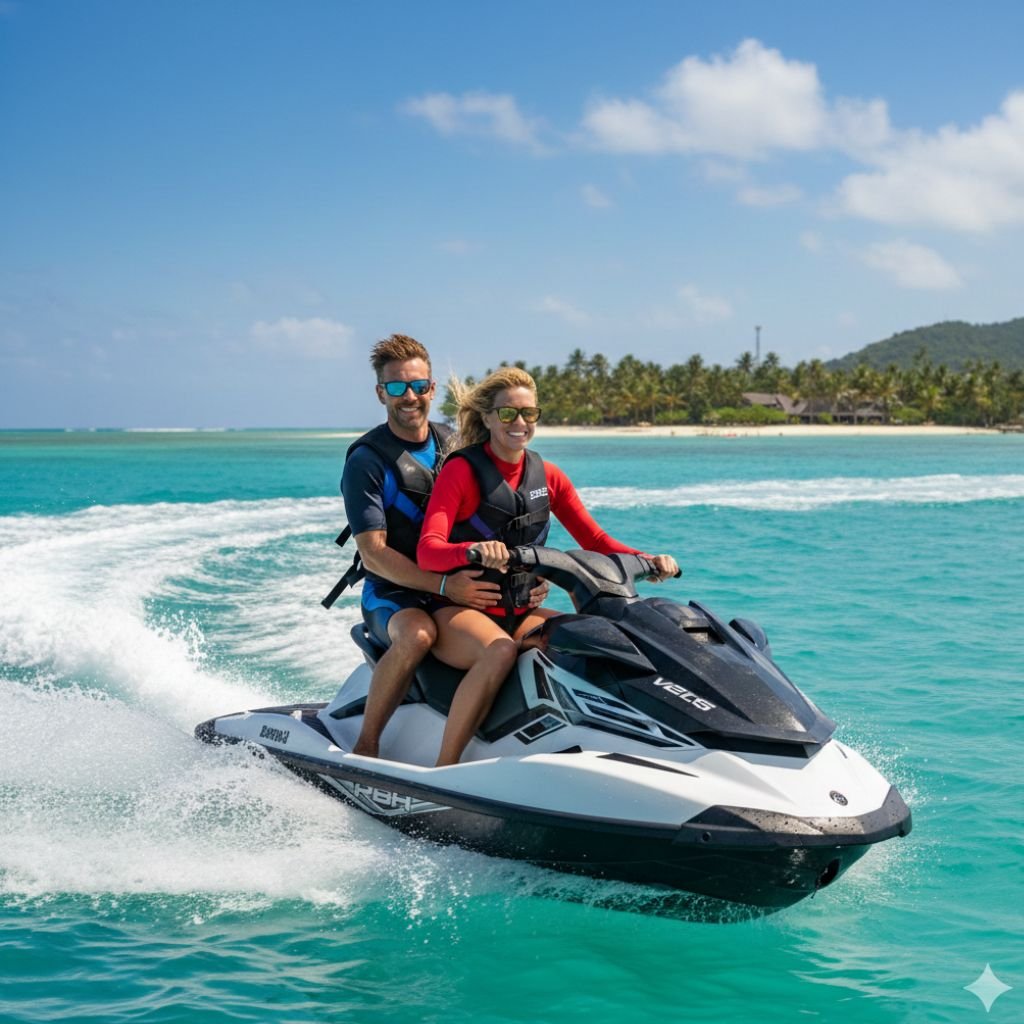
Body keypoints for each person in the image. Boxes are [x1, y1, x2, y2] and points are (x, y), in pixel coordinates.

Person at [417, 367, 679, 766]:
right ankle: (445, 768)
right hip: (460, 612)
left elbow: (595, 541)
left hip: (520, 610)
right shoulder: (462, 471)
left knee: (603, 640)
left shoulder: (549, 476)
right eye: (508, 414)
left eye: (529, 414)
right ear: (488, 418)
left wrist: (648, 560)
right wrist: (472, 550)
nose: (519, 423)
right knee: (500, 651)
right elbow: (429, 549)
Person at [331, 335, 547, 758]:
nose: (409, 396)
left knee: (547, 633)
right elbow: (374, 553)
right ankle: (367, 747)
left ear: (432, 389)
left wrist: (531, 579)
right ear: (381, 393)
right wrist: (444, 588)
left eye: (418, 385)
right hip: (395, 591)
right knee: (417, 636)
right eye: (397, 387)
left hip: (459, 582)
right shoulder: (367, 461)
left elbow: (500, 513)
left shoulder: (456, 444)